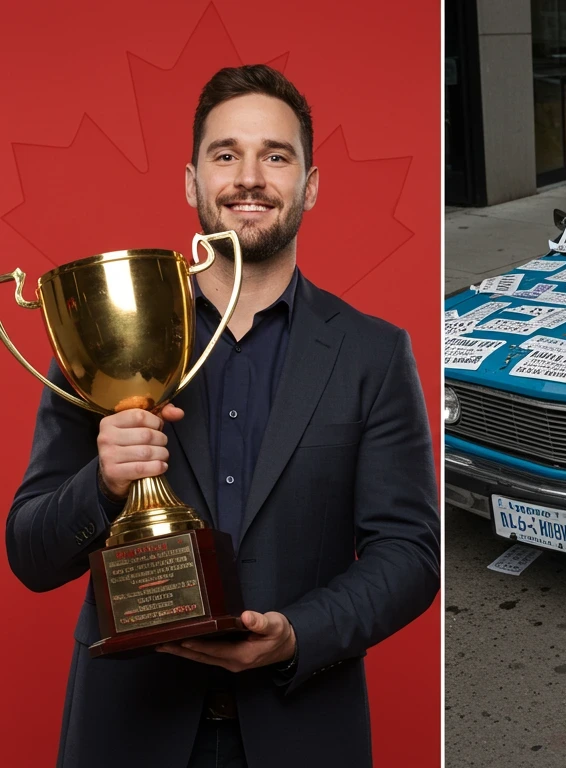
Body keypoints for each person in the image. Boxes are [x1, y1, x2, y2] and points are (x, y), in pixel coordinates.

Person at [5, 64, 439, 768]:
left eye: (276, 155)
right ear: (191, 181)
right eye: (226, 155)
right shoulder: (102, 335)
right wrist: (103, 482)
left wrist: (298, 633)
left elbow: (412, 552)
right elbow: (29, 553)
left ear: (311, 185)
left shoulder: (373, 353)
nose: (249, 178)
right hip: (127, 735)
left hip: (303, 732)